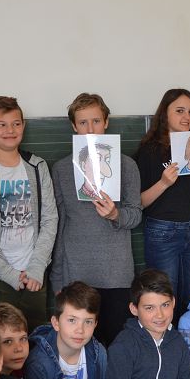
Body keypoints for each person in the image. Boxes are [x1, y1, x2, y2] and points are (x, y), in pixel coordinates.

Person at [52, 93, 143, 345]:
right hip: (76, 275)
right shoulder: (61, 169)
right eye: (83, 123)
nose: (90, 129)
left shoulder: (127, 166)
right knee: (78, 347)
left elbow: (136, 214)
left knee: (115, 344)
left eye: (96, 121)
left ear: (106, 122)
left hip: (117, 274)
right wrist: (57, 276)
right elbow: (59, 225)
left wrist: (115, 214)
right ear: (74, 126)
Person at [0, 96, 58, 330]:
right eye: (1, 125)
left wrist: (37, 266)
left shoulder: (37, 166)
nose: (10, 130)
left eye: (16, 124)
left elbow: (50, 218)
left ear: (23, 126)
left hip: (34, 273)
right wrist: (8, 273)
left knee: (35, 337)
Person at [135, 89, 190, 318]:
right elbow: (139, 202)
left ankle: (189, 337)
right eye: (179, 111)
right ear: (165, 114)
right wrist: (163, 183)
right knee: (163, 296)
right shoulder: (150, 151)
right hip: (163, 233)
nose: (186, 117)